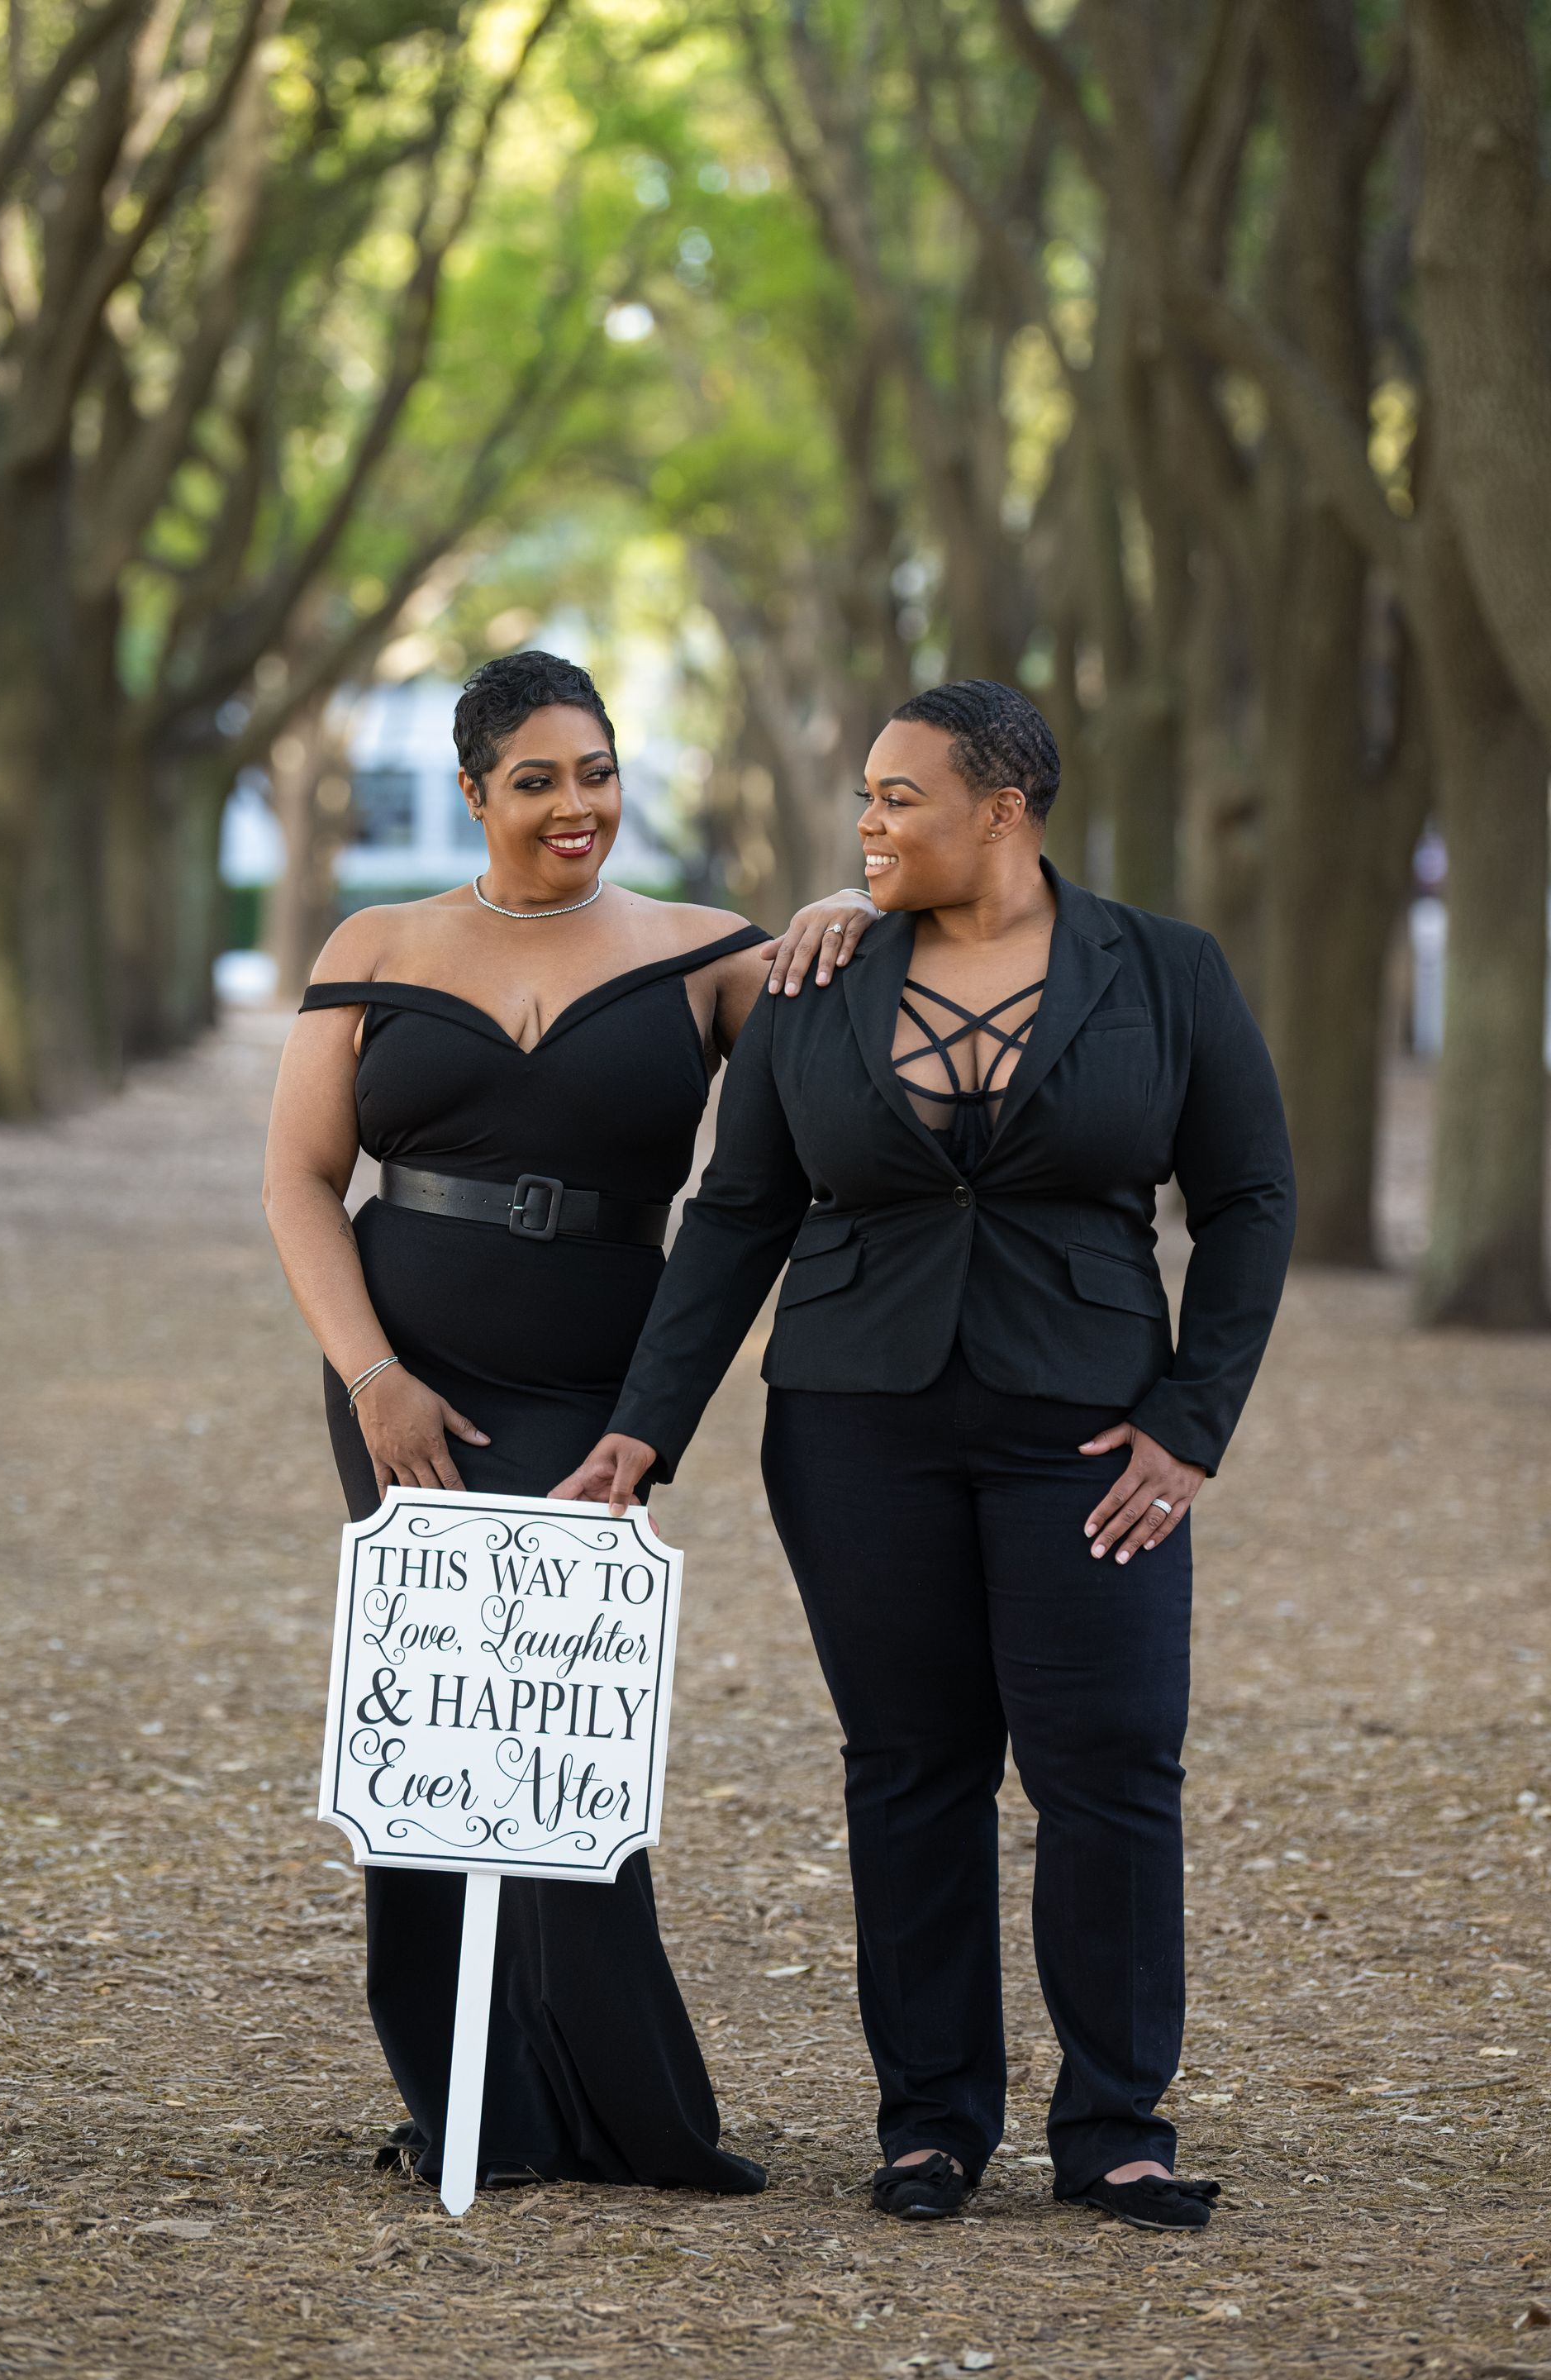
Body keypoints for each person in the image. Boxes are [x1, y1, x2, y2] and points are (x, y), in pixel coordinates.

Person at [554, 678, 1296, 2231]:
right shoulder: (818, 975)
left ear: (1003, 811)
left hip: (1089, 1432)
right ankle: (933, 2124)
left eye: (901, 797)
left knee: (1107, 1773)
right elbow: (740, 1210)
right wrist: (646, 1423)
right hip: (853, 1424)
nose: (871, 823)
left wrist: (1191, 1424)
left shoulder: (1164, 972)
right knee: (909, 1771)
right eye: (867, 800)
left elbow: (1247, 1202)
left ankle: (1116, 2130)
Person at [262, 649, 875, 2196]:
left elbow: (859, 1048)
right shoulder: (376, 942)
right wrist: (370, 1377)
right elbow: (296, 1180)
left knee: (555, 1728)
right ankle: (469, 2106)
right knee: (422, 1723)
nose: (575, 805)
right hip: (406, 1384)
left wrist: (860, 916)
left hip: (600, 1387)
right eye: (537, 779)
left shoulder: (701, 952)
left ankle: (629, 2112)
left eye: (596, 771)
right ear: (475, 794)